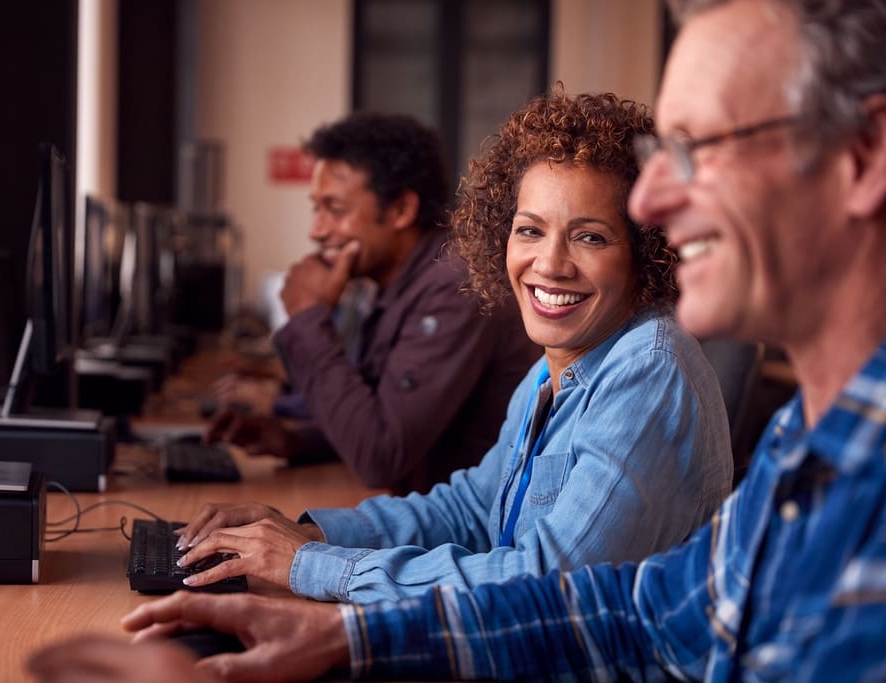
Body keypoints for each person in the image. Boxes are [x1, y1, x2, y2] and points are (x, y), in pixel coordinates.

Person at [28, 0, 886, 681]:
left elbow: (543, 574)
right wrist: (331, 604)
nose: (655, 200)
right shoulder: (798, 449)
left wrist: (318, 576)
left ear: (864, 153)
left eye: (699, 148)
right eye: (665, 151)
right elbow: (620, 606)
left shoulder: (671, 376)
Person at [169, 88, 733, 604]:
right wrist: (306, 532)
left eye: (590, 236)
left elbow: (546, 583)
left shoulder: (646, 369)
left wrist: (312, 565)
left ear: (646, 252)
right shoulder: (551, 371)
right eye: (530, 230)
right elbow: (470, 508)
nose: (551, 264)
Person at [207, 112, 539, 495]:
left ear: (400, 210)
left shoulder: (455, 286)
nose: (316, 230)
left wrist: (308, 316)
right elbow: (385, 417)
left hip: (466, 537)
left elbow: (381, 455)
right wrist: (296, 441)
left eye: (335, 209)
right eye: (317, 208)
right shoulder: (394, 282)